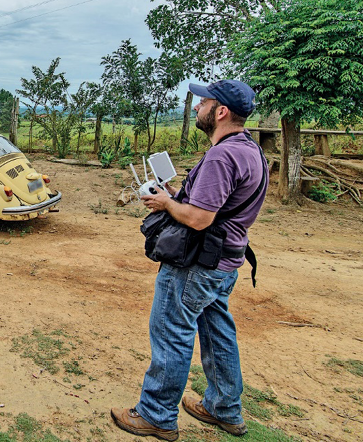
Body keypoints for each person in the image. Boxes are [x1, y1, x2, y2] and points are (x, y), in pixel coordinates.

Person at [110, 79, 268, 441]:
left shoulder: (221, 155)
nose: (197, 108)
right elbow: (216, 203)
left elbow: (199, 219)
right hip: (226, 262)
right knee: (218, 332)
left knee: (171, 333)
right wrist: (177, 194)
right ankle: (224, 408)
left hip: (196, 265)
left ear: (221, 111)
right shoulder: (249, 150)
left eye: (203, 103)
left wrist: (166, 203)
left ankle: (156, 415)